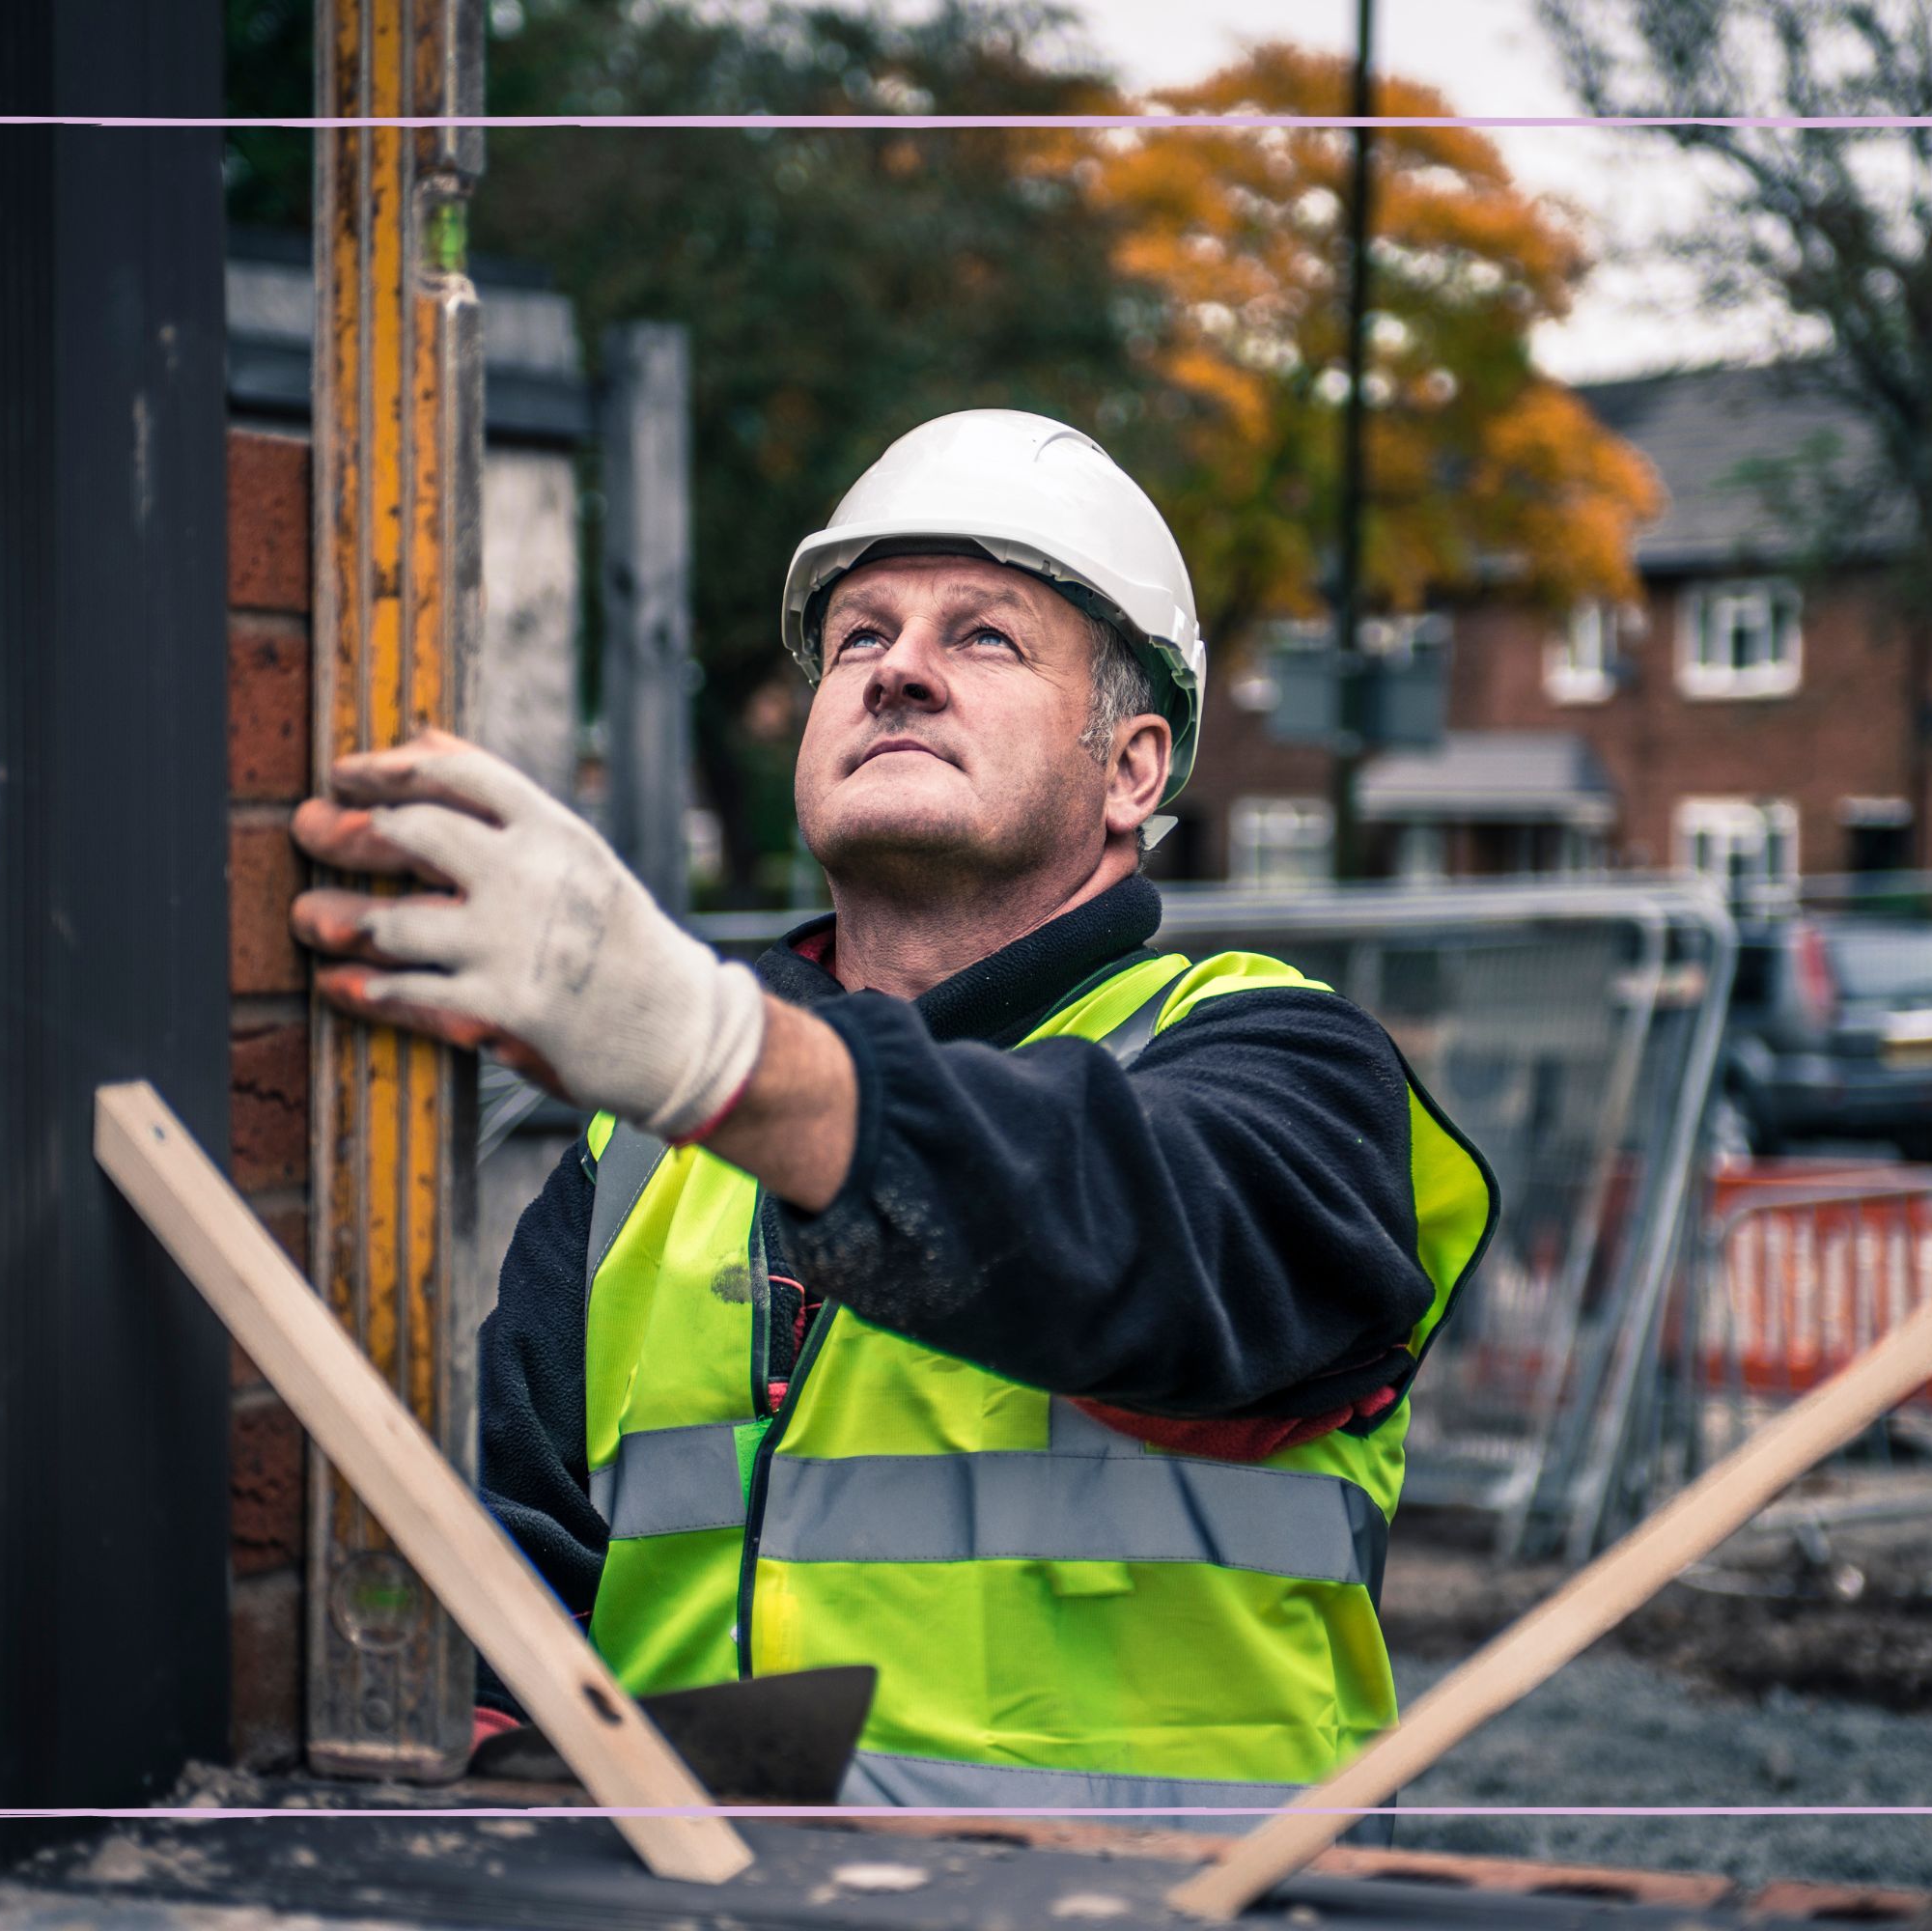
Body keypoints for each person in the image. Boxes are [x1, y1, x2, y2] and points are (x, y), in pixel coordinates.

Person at [287, 409, 1495, 1825]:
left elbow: (1116, 1234)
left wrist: (713, 1047)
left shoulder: (1282, 1066)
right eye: (858, 637)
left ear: (1134, 771)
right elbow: (510, 1568)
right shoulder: (642, 1156)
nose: (899, 671)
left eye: (984, 637)